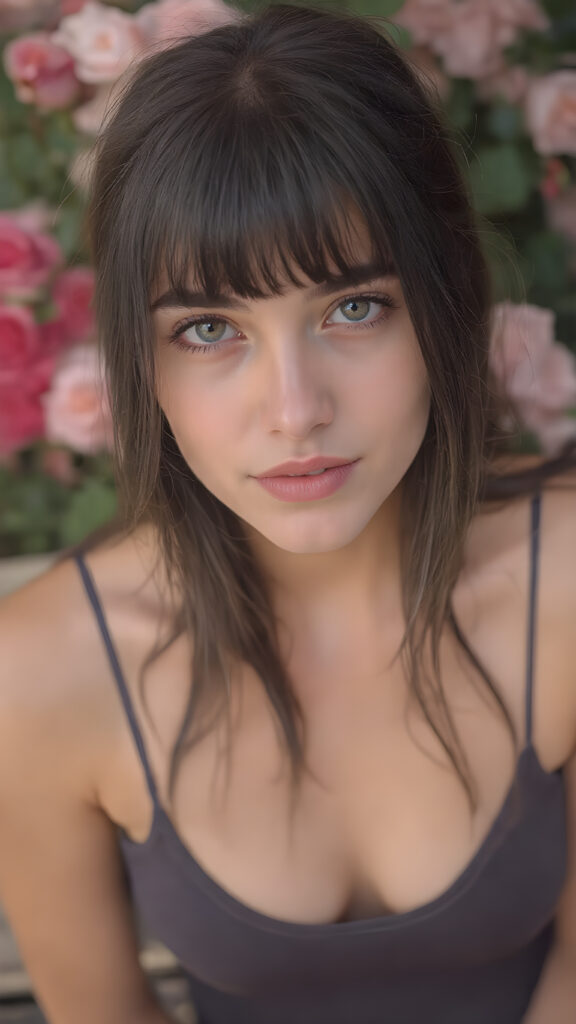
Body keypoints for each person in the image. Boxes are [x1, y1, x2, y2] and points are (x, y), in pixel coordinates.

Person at [0, 4, 575, 1022]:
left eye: (353, 307)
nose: (296, 409)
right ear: (141, 356)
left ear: (442, 305)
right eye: (212, 328)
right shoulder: (44, 673)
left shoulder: (563, 585)